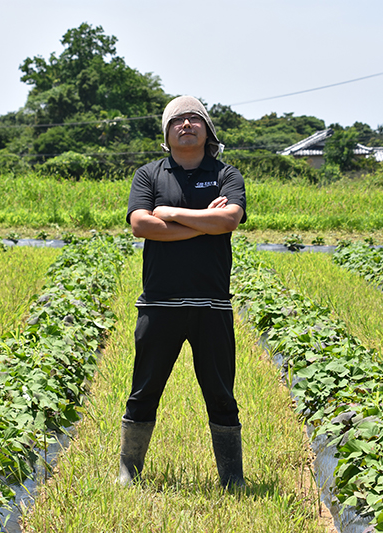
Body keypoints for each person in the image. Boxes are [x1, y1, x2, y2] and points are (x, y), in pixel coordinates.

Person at [119, 95, 247, 489]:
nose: (186, 125)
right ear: (167, 133)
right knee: (144, 391)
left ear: (208, 130)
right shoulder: (149, 175)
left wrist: (172, 214)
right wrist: (205, 222)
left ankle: (232, 478)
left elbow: (229, 218)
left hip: (212, 303)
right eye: (177, 120)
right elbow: (141, 224)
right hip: (159, 302)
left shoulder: (227, 174)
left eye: (194, 119)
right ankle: (128, 470)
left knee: (221, 394)